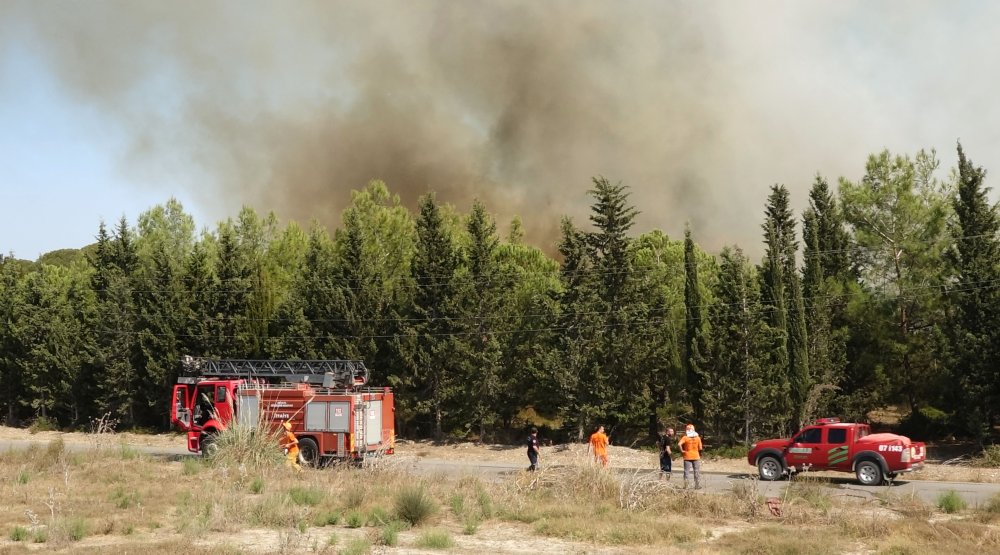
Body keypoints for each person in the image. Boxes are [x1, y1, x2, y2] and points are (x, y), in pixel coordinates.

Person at [678, 423, 703, 489]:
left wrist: (682, 451)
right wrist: (700, 454)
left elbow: (679, 444)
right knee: (696, 471)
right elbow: (700, 448)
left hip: (687, 456)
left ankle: (686, 486)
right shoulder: (698, 438)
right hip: (696, 456)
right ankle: (697, 485)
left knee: (686, 472)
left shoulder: (685, 437)